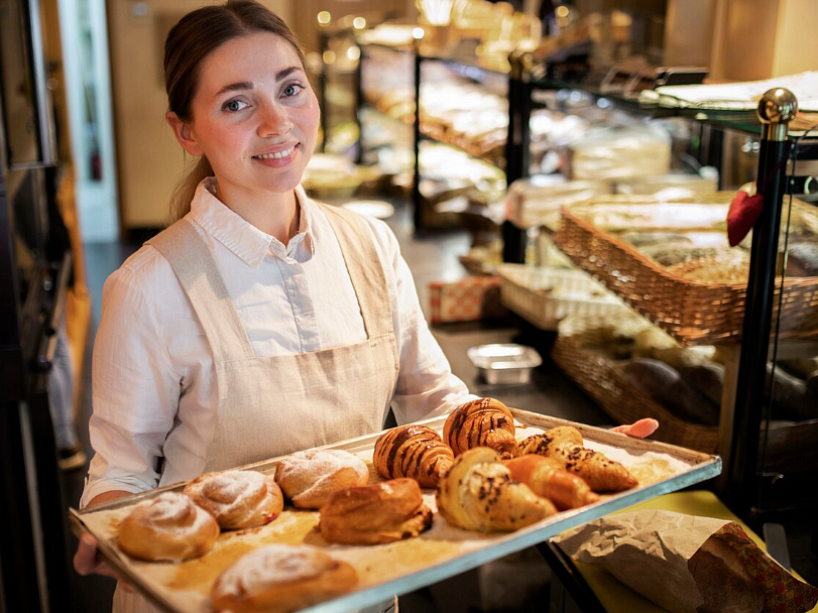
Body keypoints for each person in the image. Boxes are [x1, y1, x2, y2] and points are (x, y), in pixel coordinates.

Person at [73, 2, 656, 611]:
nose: (277, 123)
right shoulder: (149, 285)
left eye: (290, 89)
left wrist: (568, 456)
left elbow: (438, 404)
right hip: (215, 595)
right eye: (236, 103)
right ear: (185, 129)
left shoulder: (370, 245)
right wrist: (107, 528)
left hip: (361, 585)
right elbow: (123, 475)